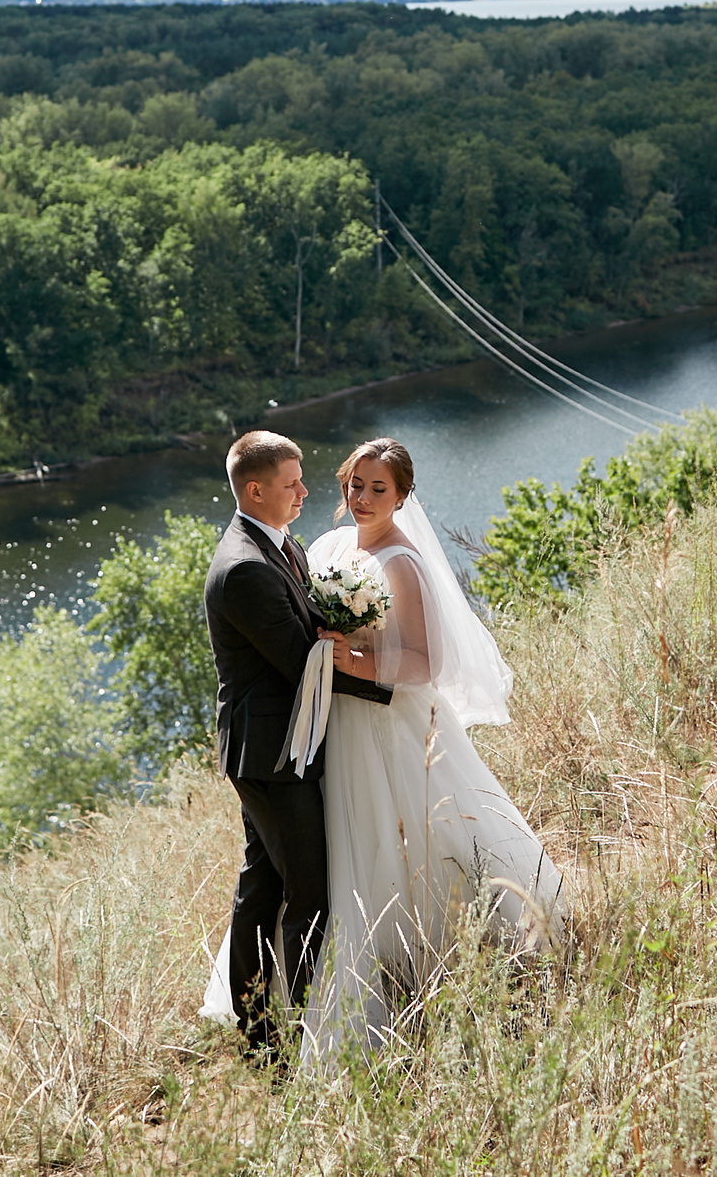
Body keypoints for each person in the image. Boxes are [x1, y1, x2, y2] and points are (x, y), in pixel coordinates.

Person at [203, 436, 566, 1061]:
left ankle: (375, 981)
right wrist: (345, 662)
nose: (348, 496)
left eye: (378, 489)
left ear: (402, 497)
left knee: (356, 859)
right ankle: (272, 1030)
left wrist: (362, 667)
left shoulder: (370, 557)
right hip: (299, 739)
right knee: (299, 881)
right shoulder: (287, 554)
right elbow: (300, 655)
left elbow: (419, 660)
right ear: (258, 489)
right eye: (354, 485)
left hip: (362, 721)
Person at [201, 430, 393, 1061]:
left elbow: (311, 632)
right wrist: (390, 688)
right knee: (306, 894)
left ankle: (257, 1033)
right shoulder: (244, 570)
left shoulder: (280, 544)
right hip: (273, 756)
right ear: (255, 491)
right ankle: (296, 1036)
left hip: (280, 747)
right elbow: (299, 662)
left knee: (262, 886)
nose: (306, 492)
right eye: (292, 483)